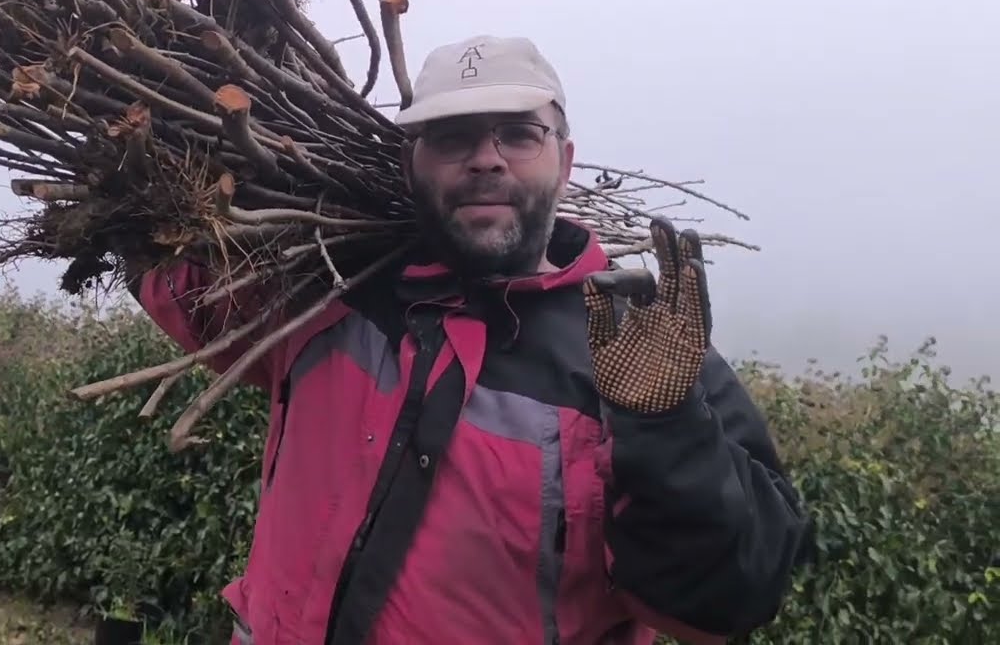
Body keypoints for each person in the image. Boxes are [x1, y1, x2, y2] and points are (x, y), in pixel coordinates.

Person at [129, 35, 812, 645]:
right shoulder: (331, 294)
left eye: (518, 134)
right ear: (410, 164)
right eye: (453, 137)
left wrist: (666, 431)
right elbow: (188, 287)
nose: (486, 160)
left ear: (565, 160)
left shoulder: (641, 354)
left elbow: (725, 601)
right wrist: (123, 185)